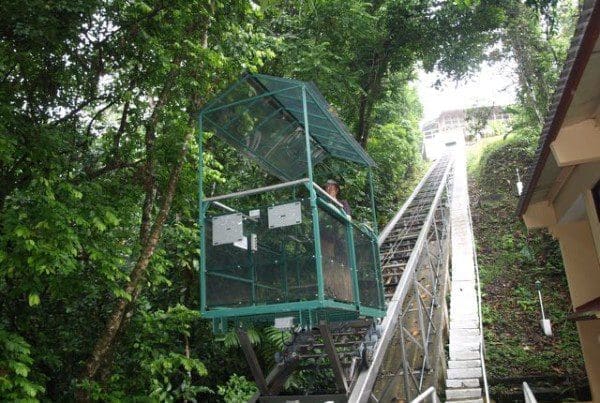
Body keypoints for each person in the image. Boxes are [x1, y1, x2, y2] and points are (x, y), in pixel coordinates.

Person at [320, 179, 353, 302]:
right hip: (325, 241)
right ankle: (330, 294)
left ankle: (345, 297)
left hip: (339, 242)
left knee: (341, 268)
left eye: (331, 187)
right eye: (327, 187)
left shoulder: (342, 203)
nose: (329, 189)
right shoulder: (321, 203)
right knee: (328, 267)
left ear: (336, 189)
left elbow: (348, 218)